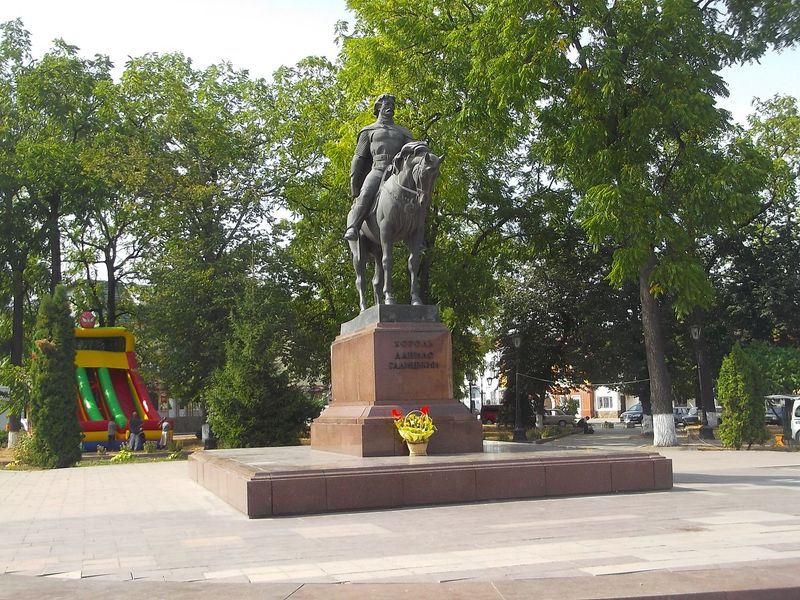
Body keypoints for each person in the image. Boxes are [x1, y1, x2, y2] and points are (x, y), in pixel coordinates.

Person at [343, 93, 415, 241]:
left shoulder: (403, 132)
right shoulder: (368, 131)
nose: (391, 108)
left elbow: (413, 152)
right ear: (378, 107)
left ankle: (416, 234)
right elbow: (359, 157)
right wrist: (353, 181)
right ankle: (353, 226)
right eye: (387, 105)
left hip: (396, 173)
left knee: (417, 197)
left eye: (393, 106)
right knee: (366, 193)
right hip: (378, 170)